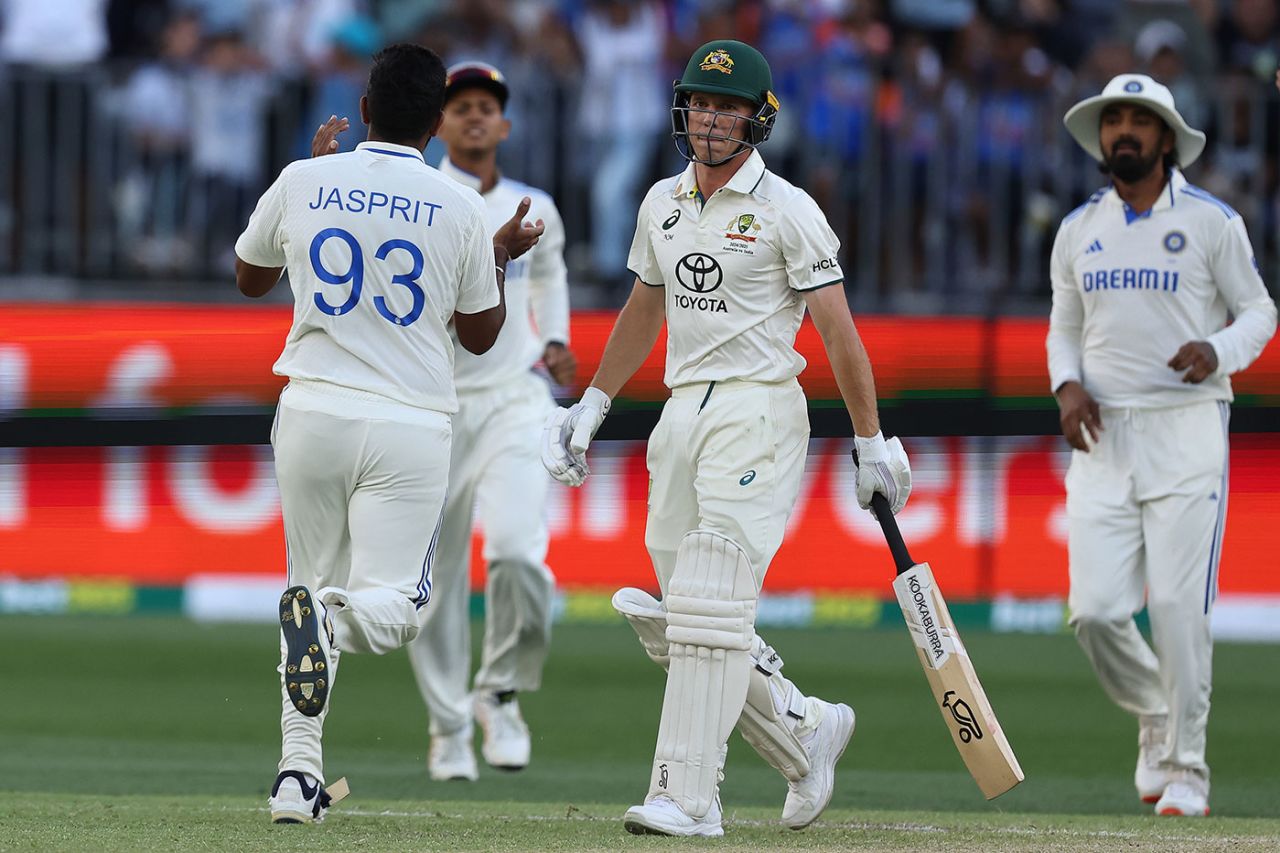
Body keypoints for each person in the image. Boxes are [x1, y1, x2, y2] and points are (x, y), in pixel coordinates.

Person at [541, 40, 912, 837]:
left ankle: (688, 796)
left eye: (728, 107)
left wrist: (871, 440)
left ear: (758, 118)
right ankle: (803, 727)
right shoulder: (661, 203)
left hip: (759, 408)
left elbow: (839, 334)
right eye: (701, 105)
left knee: (709, 598)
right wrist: (592, 405)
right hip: (680, 415)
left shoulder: (788, 210)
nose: (710, 120)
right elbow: (646, 307)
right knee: (689, 617)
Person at [233, 43, 544, 824]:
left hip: (310, 410)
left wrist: (310, 187)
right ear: (438, 124)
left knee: (307, 579)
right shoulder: (464, 208)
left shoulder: (305, 179)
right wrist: (498, 256)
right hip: (407, 420)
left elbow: (249, 277)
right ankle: (333, 624)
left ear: (364, 110)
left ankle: (296, 777)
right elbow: (479, 336)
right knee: (398, 603)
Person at [1048, 73, 1276, 817]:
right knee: (1096, 611)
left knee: (1178, 606)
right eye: (1113, 120)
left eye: (1139, 122)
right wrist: (1065, 385)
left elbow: (1260, 311)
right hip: (1102, 434)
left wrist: (1217, 349)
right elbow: (1064, 327)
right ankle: (1156, 712)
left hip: (1187, 429)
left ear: (1167, 139)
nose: (1124, 132)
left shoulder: (1213, 222)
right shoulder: (1079, 228)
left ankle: (1186, 770)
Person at [406, 60, 575, 782]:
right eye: (460, 106)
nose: (474, 116)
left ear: (504, 125)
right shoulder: (420, 197)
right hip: (435, 403)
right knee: (435, 582)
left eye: (486, 107)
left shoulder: (535, 202)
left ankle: (499, 689)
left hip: (514, 396)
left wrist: (558, 341)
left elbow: (551, 277)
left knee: (515, 553)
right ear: (437, 123)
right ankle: (448, 729)